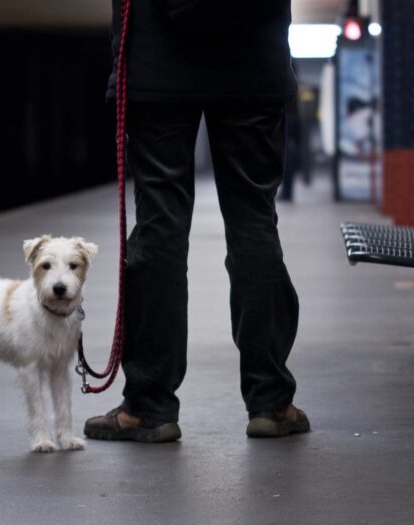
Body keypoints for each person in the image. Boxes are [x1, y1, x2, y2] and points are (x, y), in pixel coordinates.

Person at [83, 0, 310, 442]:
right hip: (254, 65)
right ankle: (270, 402)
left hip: (158, 66)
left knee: (160, 226)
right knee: (254, 223)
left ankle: (149, 408)